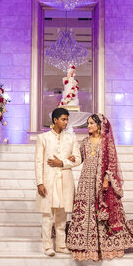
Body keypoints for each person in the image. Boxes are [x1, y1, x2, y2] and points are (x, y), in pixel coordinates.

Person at [66, 114, 133, 261]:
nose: (89, 126)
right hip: (85, 181)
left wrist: (106, 179)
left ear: (99, 125)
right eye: (88, 123)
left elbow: (112, 163)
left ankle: (101, 244)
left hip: (100, 181)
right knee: (84, 209)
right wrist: (70, 158)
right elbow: (79, 158)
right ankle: (83, 242)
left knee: (101, 211)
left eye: (92, 123)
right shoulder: (85, 141)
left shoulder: (106, 142)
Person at [35, 107, 82, 256]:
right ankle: (47, 246)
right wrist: (39, 183)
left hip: (65, 181)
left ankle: (61, 245)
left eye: (67, 119)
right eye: (63, 119)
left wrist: (62, 163)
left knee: (62, 215)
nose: (66, 122)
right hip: (49, 180)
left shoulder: (71, 138)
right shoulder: (43, 138)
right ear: (55, 120)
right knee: (47, 215)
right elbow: (38, 162)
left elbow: (78, 159)